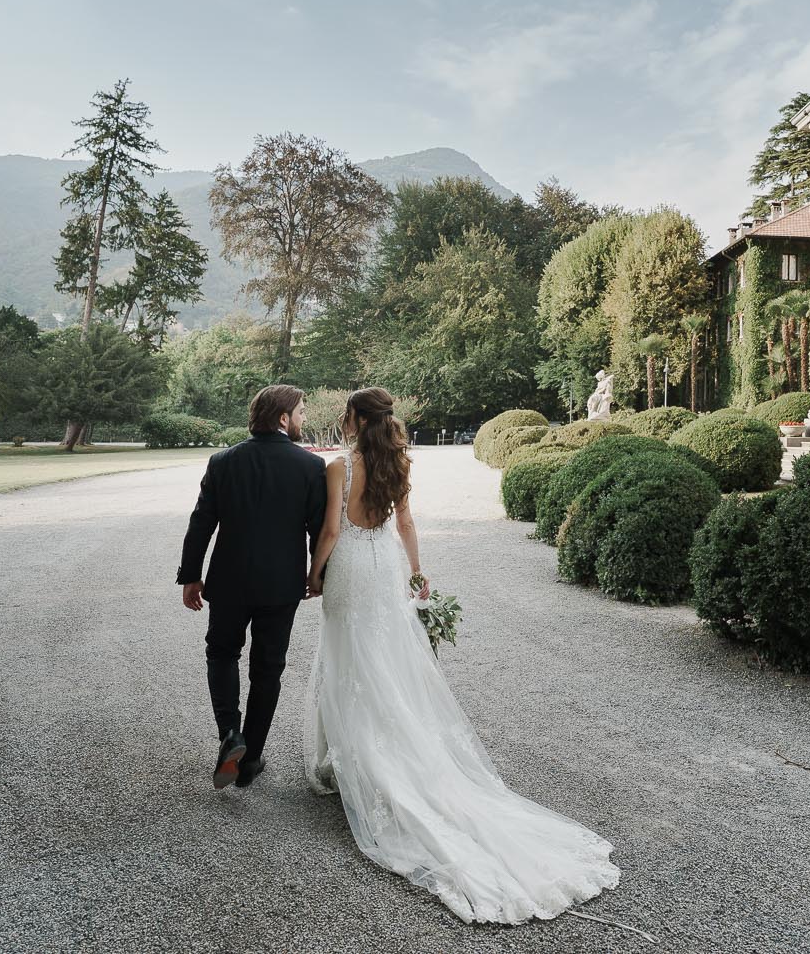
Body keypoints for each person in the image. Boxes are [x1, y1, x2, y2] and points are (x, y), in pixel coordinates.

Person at [302, 387, 619, 925]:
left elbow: (332, 530)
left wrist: (312, 575)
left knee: (349, 660)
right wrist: (418, 572)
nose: (343, 420)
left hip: (352, 572)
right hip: (383, 571)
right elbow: (403, 524)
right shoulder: (397, 463)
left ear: (356, 419)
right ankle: (374, 752)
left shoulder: (338, 468)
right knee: (384, 661)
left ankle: (359, 762)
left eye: (346, 414)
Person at [176, 383, 325, 789]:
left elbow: (201, 523)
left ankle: (230, 734)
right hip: (281, 586)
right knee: (268, 669)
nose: (304, 418)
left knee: (222, 654)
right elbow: (319, 531)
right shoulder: (310, 467)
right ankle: (251, 758)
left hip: (228, 582)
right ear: (283, 418)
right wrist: (318, 576)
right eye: (301, 412)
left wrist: (191, 575)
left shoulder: (222, 461)